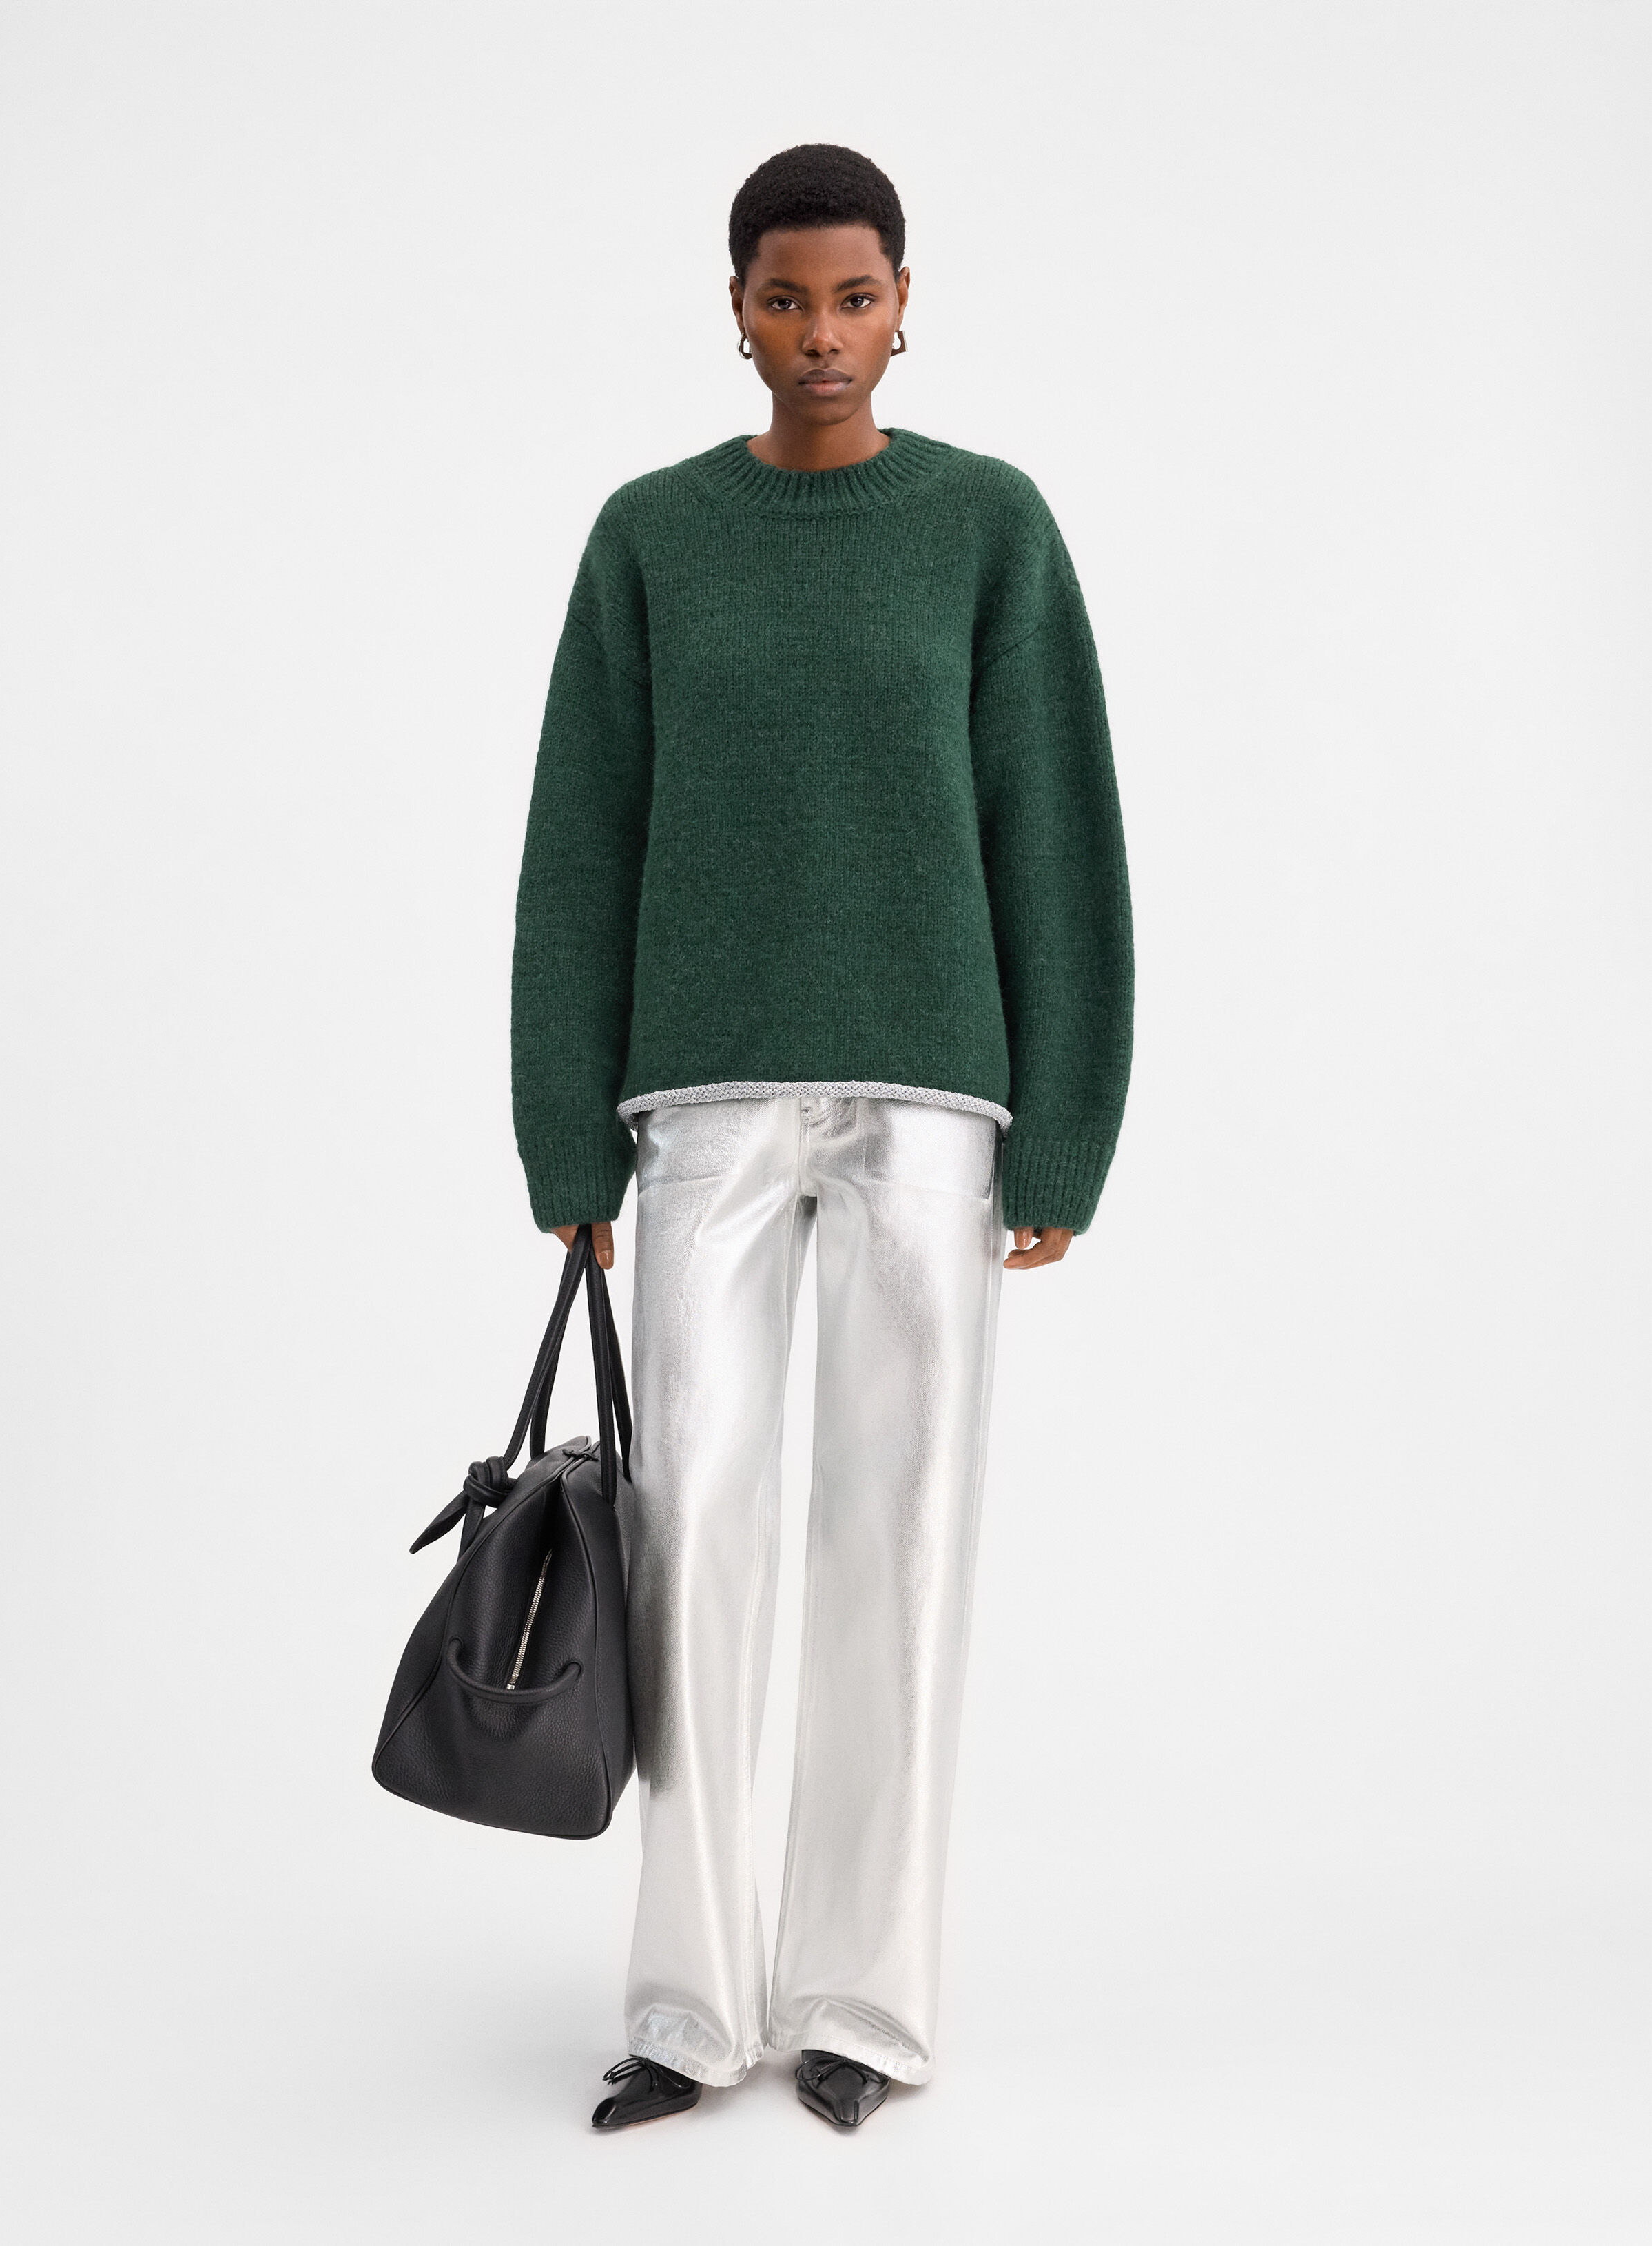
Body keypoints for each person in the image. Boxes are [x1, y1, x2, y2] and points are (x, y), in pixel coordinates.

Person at [511, 143, 1133, 2131]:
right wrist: (564, 1137)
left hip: (930, 1103)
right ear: (735, 307)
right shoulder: (651, 538)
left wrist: (1065, 1128)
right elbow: (582, 837)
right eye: (785, 297)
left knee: (899, 1544)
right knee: (691, 1539)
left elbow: (1054, 826)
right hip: (701, 1099)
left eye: (854, 297)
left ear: (905, 301)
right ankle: (689, 2005)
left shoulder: (987, 527)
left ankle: (866, 2000)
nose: (821, 334)